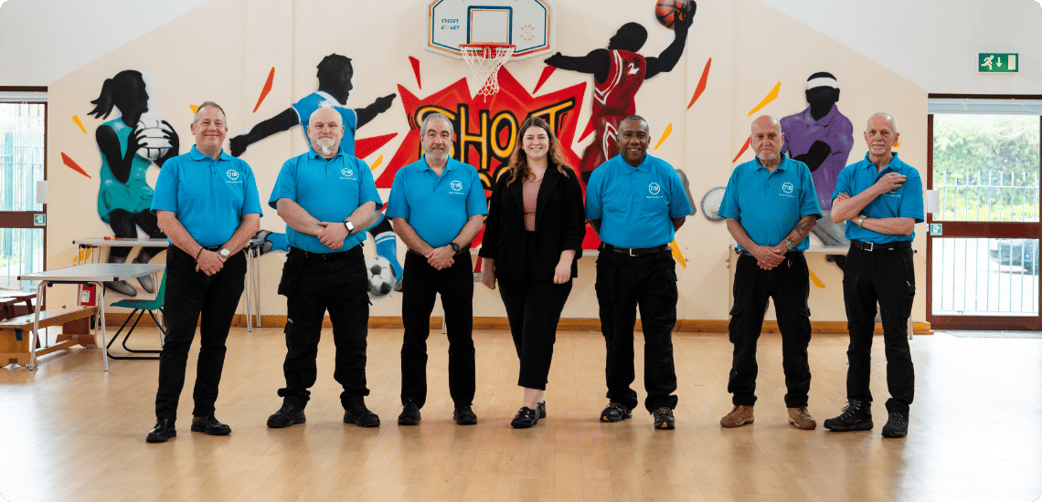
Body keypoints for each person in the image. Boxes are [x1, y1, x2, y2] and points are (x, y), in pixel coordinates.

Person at [229, 53, 404, 289]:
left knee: (374, 223)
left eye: (333, 126)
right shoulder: (312, 104)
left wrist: (379, 106)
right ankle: (398, 276)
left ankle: (271, 239)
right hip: (328, 186)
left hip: (350, 188)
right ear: (332, 76)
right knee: (357, 228)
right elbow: (278, 122)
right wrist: (245, 139)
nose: (350, 85)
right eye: (346, 77)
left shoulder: (343, 113)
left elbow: (362, 114)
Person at [146, 102, 261, 443]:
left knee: (215, 343)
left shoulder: (241, 169)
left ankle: (204, 415)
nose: (213, 127)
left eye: (219, 122)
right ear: (193, 129)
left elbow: (252, 220)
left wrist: (222, 254)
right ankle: (165, 419)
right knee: (177, 341)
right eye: (205, 122)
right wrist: (200, 253)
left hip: (228, 264)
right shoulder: (174, 168)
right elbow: (165, 219)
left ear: (226, 130)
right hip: (186, 263)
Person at [264, 107, 383, 429]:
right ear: (308, 130)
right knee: (300, 339)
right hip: (304, 265)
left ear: (343, 132)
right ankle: (293, 402)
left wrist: (343, 228)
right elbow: (285, 208)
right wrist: (322, 231)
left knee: (353, 338)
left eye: (333, 125)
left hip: (349, 265)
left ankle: (355, 402)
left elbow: (369, 209)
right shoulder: (293, 167)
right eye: (319, 125)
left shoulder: (358, 168)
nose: (326, 130)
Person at [479, 117, 586, 428]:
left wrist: (566, 260)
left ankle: (527, 406)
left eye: (541, 137)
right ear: (521, 143)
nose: (535, 142)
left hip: (552, 266)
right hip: (512, 265)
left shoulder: (565, 178)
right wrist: (487, 264)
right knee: (522, 334)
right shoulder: (508, 178)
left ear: (550, 142)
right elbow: (494, 224)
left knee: (537, 330)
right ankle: (538, 400)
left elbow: (574, 224)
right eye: (529, 138)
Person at [585, 115, 691, 430]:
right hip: (613, 264)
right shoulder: (602, 174)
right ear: (617, 139)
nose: (634, 140)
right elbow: (595, 219)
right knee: (616, 335)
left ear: (649, 138)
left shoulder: (665, 172)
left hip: (657, 264)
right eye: (628, 134)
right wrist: (623, 242)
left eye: (640, 135)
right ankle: (619, 400)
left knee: (659, 336)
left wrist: (649, 241)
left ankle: (661, 404)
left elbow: (678, 216)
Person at [717, 115, 822, 430]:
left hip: (790, 265)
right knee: (743, 335)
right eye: (759, 136)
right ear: (751, 141)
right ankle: (743, 405)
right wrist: (756, 250)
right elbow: (731, 219)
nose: (766, 142)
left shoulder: (800, 172)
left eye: (772, 136)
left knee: (796, 335)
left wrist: (781, 249)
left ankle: (798, 407)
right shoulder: (741, 173)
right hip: (750, 265)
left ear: (782, 138)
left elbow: (809, 218)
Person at [823, 113, 923, 439]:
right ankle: (858, 408)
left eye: (885, 132)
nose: (878, 136)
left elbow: (904, 226)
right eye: (873, 132)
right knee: (858, 337)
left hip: (895, 261)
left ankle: (898, 411)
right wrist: (878, 189)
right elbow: (838, 215)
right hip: (858, 261)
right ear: (865, 136)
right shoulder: (851, 173)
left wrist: (861, 219)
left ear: (896, 137)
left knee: (895, 337)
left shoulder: (909, 176)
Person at [386, 112, 487, 426]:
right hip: (419, 264)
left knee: (461, 337)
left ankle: (463, 404)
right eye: (431, 133)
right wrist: (430, 252)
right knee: (414, 336)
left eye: (444, 134)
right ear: (422, 138)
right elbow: (398, 221)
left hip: (457, 263)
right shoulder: (405, 175)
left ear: (452, 139)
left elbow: (477, 218)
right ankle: (412, 403)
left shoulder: (468, 174)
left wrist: (453, 248)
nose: (438, 140)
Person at [544, 1, 696, 185]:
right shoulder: (642, 64)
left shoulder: (605, 58)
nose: (612, 37)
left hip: (609, 126)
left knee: (609, 176)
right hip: (623, 126)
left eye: (618, 33)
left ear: (624, 38)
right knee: (592, 168)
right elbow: (666, 62)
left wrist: (557, 60)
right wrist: (682, 33)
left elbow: (581, 64)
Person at [87, 69, 180, 296]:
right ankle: (115, 274)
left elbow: (167, 166)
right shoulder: (107, 131)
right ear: (131, 97)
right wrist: (131, 146)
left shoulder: (145, 130)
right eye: (144, 92)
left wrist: (173, 148)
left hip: (139, 193)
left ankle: (142, 265)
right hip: (115, 193)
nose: (147, 97)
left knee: (166, 229)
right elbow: (119, 173)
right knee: (127, 235)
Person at [780, 71, 854, 249]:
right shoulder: (788, 123)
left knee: (849, 255)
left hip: (825, 209)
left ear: (836, 95)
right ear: (807, 96)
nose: (821, 99)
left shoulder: (842, 124)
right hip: (792, 206)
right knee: (776, 252)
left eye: (826, 93)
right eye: (817, 93)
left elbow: (811, 160)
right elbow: (774, 163)